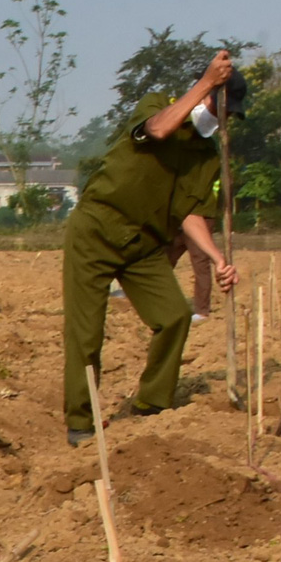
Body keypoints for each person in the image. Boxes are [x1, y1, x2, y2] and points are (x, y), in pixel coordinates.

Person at [59, 51, 243, 445]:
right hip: (96, 228)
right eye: (221, 110)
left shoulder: (206, 157)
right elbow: (157, 131)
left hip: (143, 244)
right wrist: (206, 84)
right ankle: (81, 422)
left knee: (176, 316)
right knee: (86, 334)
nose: (222, 120)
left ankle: (152, 404)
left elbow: (190, 215)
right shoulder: (157, 104)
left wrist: (218, 258)